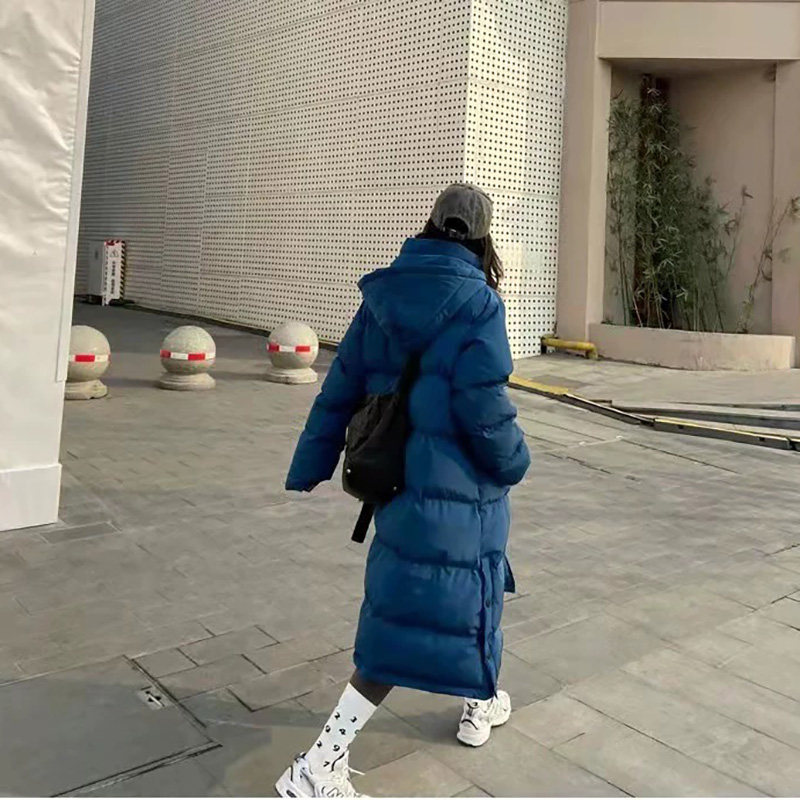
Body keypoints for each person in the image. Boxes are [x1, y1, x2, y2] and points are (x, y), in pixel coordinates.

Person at [277, 183, 531, 798]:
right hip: (459, 487)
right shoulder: (480, 304)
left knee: (468, 586)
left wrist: (309, 464)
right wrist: (514, 461)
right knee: (419, 616)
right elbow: (485, 407)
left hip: (398, 481)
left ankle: (481, 698)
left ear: (431, 224)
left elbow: (340, 386)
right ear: (483, 237)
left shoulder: (385, 295)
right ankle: (318, 765)